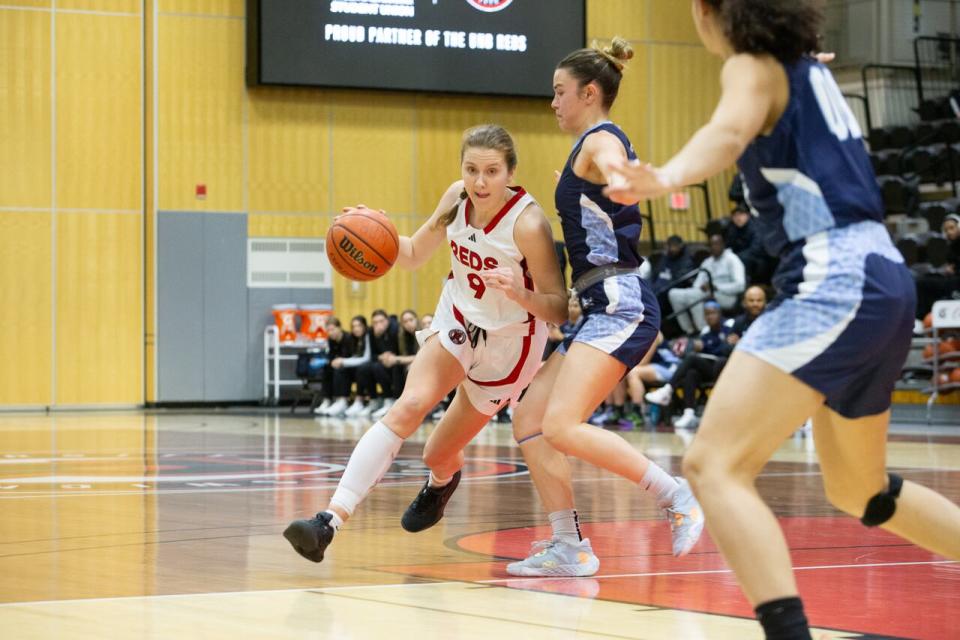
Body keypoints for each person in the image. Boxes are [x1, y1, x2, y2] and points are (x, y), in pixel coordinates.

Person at [606, 2, 960, 638]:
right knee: (863, 491)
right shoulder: (802, 68)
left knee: (712, 465)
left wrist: (666, 177)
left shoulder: (752, 65)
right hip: (884, 274)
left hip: (834, 277)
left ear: (709, 11)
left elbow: (726, 132)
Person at [401, 38, 705, 578]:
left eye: (560, 92)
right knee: (531, 417)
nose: (553, 102)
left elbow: (615, 163)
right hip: (594, 303)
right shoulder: (582, 150)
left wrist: (623, 176)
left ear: (589, 94)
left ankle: (675, 494)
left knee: (561, 425)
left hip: (620, 302)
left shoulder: (601, 140)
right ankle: (570, 546)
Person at [282, 124, 568, 564]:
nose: (479, 181)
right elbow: (413, 253)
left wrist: (518, 293)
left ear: (511, 173)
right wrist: (369, 230)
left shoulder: (528, 224)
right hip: (457, 317)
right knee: (410, 404)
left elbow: (559, 309)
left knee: (439, 452)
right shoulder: (456, 198)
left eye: (491, 171)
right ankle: (329, 521)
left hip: (510, 345)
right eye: (471, 169)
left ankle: (441, 481)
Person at [645, 301, 732, 429]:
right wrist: (700, 348)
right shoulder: (705, 331)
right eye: (707, 314)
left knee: (692, 358)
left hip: (726, 367)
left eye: (713, 313)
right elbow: (705, 350)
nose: (710, 317)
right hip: (710, 367)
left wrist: (707, 347)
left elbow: (726, 349)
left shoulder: (729, 325)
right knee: (691, 373)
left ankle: (667, 390)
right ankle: (689, 414)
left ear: (720, 314)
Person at [668, 233, 745, 334]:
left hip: (727, 296)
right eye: (711, 245)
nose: (714, 247)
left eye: (717, 244)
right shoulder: (707, 262)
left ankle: (703, 331)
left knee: (696, 296)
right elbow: (696, 285)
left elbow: (740, 285)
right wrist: (701, 287)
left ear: (723, 245)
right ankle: (689, 330)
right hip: (707, 293)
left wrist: (716, 287)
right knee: (673, 293)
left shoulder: (732, 259)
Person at [316, 315, 371, 416]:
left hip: (354, 368)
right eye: (328, 330)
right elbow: (331, 356)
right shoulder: (331, 340)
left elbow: (355, 357)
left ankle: (343, 400)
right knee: (327, 368)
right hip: (348, 365)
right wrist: (333, 362)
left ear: (339, 327)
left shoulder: (349, 338)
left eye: (332, 329)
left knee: (341, 369)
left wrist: (341, 361)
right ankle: (328, 400)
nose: (330, 332)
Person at [371, 309, 421, 420]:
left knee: (404, 367)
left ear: (417, 319)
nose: (408, 323)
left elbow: (422, 356)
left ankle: (410, 404)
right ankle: (394, 401)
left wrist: (396, 359)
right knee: (378, 367)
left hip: (424, 364)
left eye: (411, 320)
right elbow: (375, 354)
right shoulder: (403, 334)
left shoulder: (422, 332)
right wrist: (386, 357)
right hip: (405, 363)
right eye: (405, 321)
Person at [915, 213, 960, 318]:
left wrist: (954, 270)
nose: (949, 232)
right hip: (953, 279)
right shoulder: (953, 245)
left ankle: (921, 315)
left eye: (952, 228)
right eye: (946, 230)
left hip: (957, 281)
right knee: (925, 278)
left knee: (923, 283)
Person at [726, 203, 774, 284]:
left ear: (747, 216)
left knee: (743, 260)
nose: (738, 218)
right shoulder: (732, 229)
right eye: (735, 216)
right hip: (741, 256)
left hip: (758, 258)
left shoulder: (755, 227)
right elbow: (728, 246)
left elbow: (756, 249)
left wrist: (736, 257)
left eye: (741, 215)